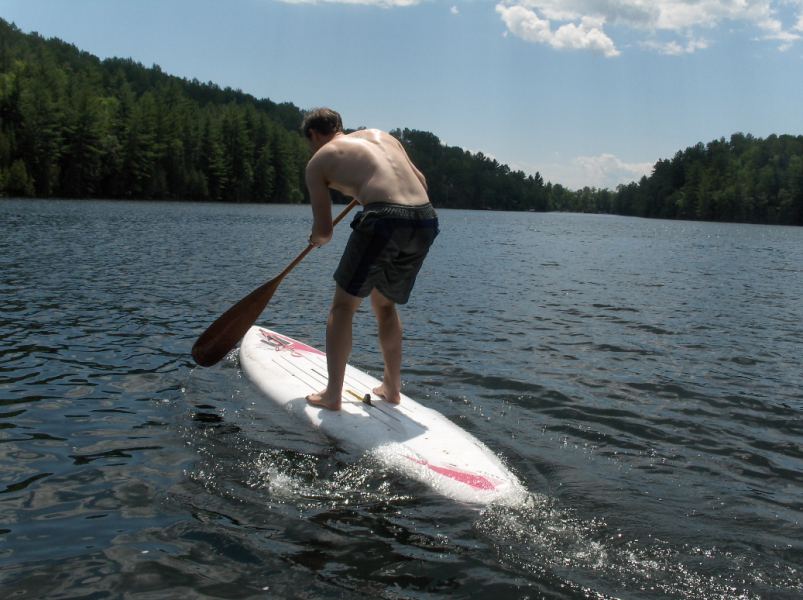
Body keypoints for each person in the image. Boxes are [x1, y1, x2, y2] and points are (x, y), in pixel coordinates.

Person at [301, 108, 439, 411]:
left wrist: (315, 239)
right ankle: (392, 387)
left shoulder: (319, 160)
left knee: (343, 306)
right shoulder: (382, 136)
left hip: (385, 220)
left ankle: (332, 395)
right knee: (384, 304)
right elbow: (422, 182)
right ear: (339, 126)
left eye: (309, 141)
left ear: (313, 134)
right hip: (425, 219)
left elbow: (324, 232)